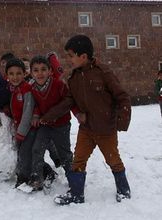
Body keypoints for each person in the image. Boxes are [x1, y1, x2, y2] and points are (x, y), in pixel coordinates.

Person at [41, 35, 131, 205]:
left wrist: (122, 121)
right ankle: (76, 194)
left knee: (113, 160)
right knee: (78, 161)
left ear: (83, 56)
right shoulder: (74, 78)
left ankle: (124, 190)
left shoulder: (104, 73)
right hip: (86, 130)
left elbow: (123, 97)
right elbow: (68, 101)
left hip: (106, 130)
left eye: (71, 55)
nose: (69, 60)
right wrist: (48, 117)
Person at [28, 55, 77, 190]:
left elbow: (67, 102)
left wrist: (77, 114)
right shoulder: (32, 88)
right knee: (37, 149)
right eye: (36, 70)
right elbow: (37, 104)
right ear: (31, 73)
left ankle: (73, 179)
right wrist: (36, 115)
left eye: (43, 69)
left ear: (50, 71)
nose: (40, 73)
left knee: (64, 153)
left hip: (61, 125)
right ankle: (37, 178)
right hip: (45, 125)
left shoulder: (58, 85)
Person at [5, 58, 56, 189]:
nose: (15, 77)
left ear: (24, 74)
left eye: (18, 73)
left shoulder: (26, 89)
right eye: (11, 74)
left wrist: (21, 133)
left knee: (25, 153)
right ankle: (48, 172)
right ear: (7, 75)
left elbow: (28, 112)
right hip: (22, 128)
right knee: (26, 153)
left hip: (30, 128)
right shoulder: (12, 89)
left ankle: (24, 177)